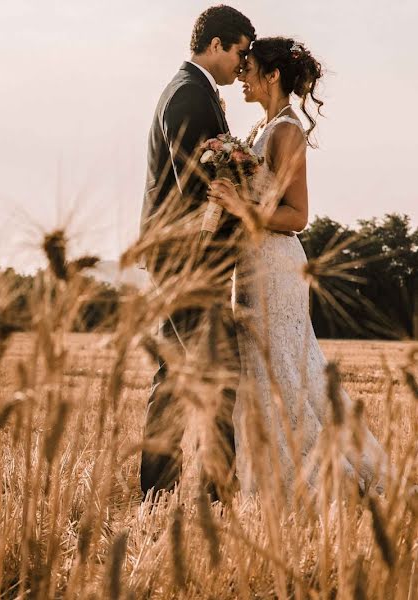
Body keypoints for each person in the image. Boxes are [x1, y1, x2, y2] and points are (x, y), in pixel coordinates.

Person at [207, 38, 388, 496]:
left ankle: (323, 484)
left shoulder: (287, 131)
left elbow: (297, 216)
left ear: (272, 77)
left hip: (275, 268)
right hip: (250, 265)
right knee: (264, 373)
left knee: (284, 373)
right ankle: (270, 480)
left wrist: (237, 206)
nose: (242, 76)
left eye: (249, 68)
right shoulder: (259, 130)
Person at [138, 5, 255, 502]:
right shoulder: (189, 96)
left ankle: (156, 497)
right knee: (218, 378)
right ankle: (217, 500)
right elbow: (198, 186)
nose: (242, 65)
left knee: (172, 380)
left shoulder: (190, 90)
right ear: (216, 45)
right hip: (189, 263)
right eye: (240, 53)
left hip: (175, 260)